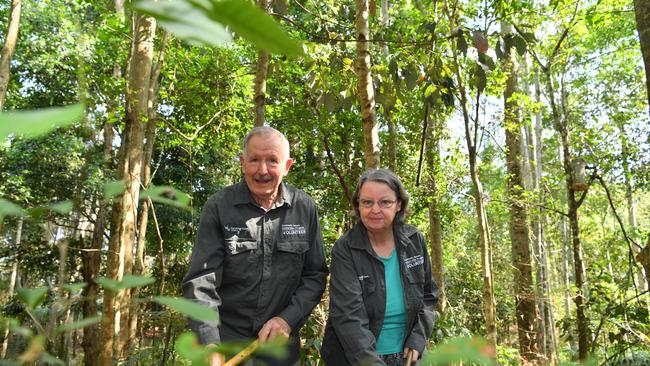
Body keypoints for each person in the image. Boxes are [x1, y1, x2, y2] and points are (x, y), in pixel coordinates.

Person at [182, 126, 329, 366]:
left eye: (272, 160)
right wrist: (209, 340)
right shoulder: (219, 207)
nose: (262, 170)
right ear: (242, 162)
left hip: (280, 346)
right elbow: (201, 280)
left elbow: (315, 276)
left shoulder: (304, 208)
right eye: (254, 160)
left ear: (287, 166)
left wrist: (287, 320)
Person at [321, 169, 438, 366]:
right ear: (358, 205)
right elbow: (348, 316)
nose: (375, 209)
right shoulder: (346, 248)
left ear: (398, 205)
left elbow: (429, 295)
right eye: (367, 202)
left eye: (385, 202)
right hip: (356, 357)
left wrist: (418, 339)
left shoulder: (414, 240)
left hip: (409, 356)